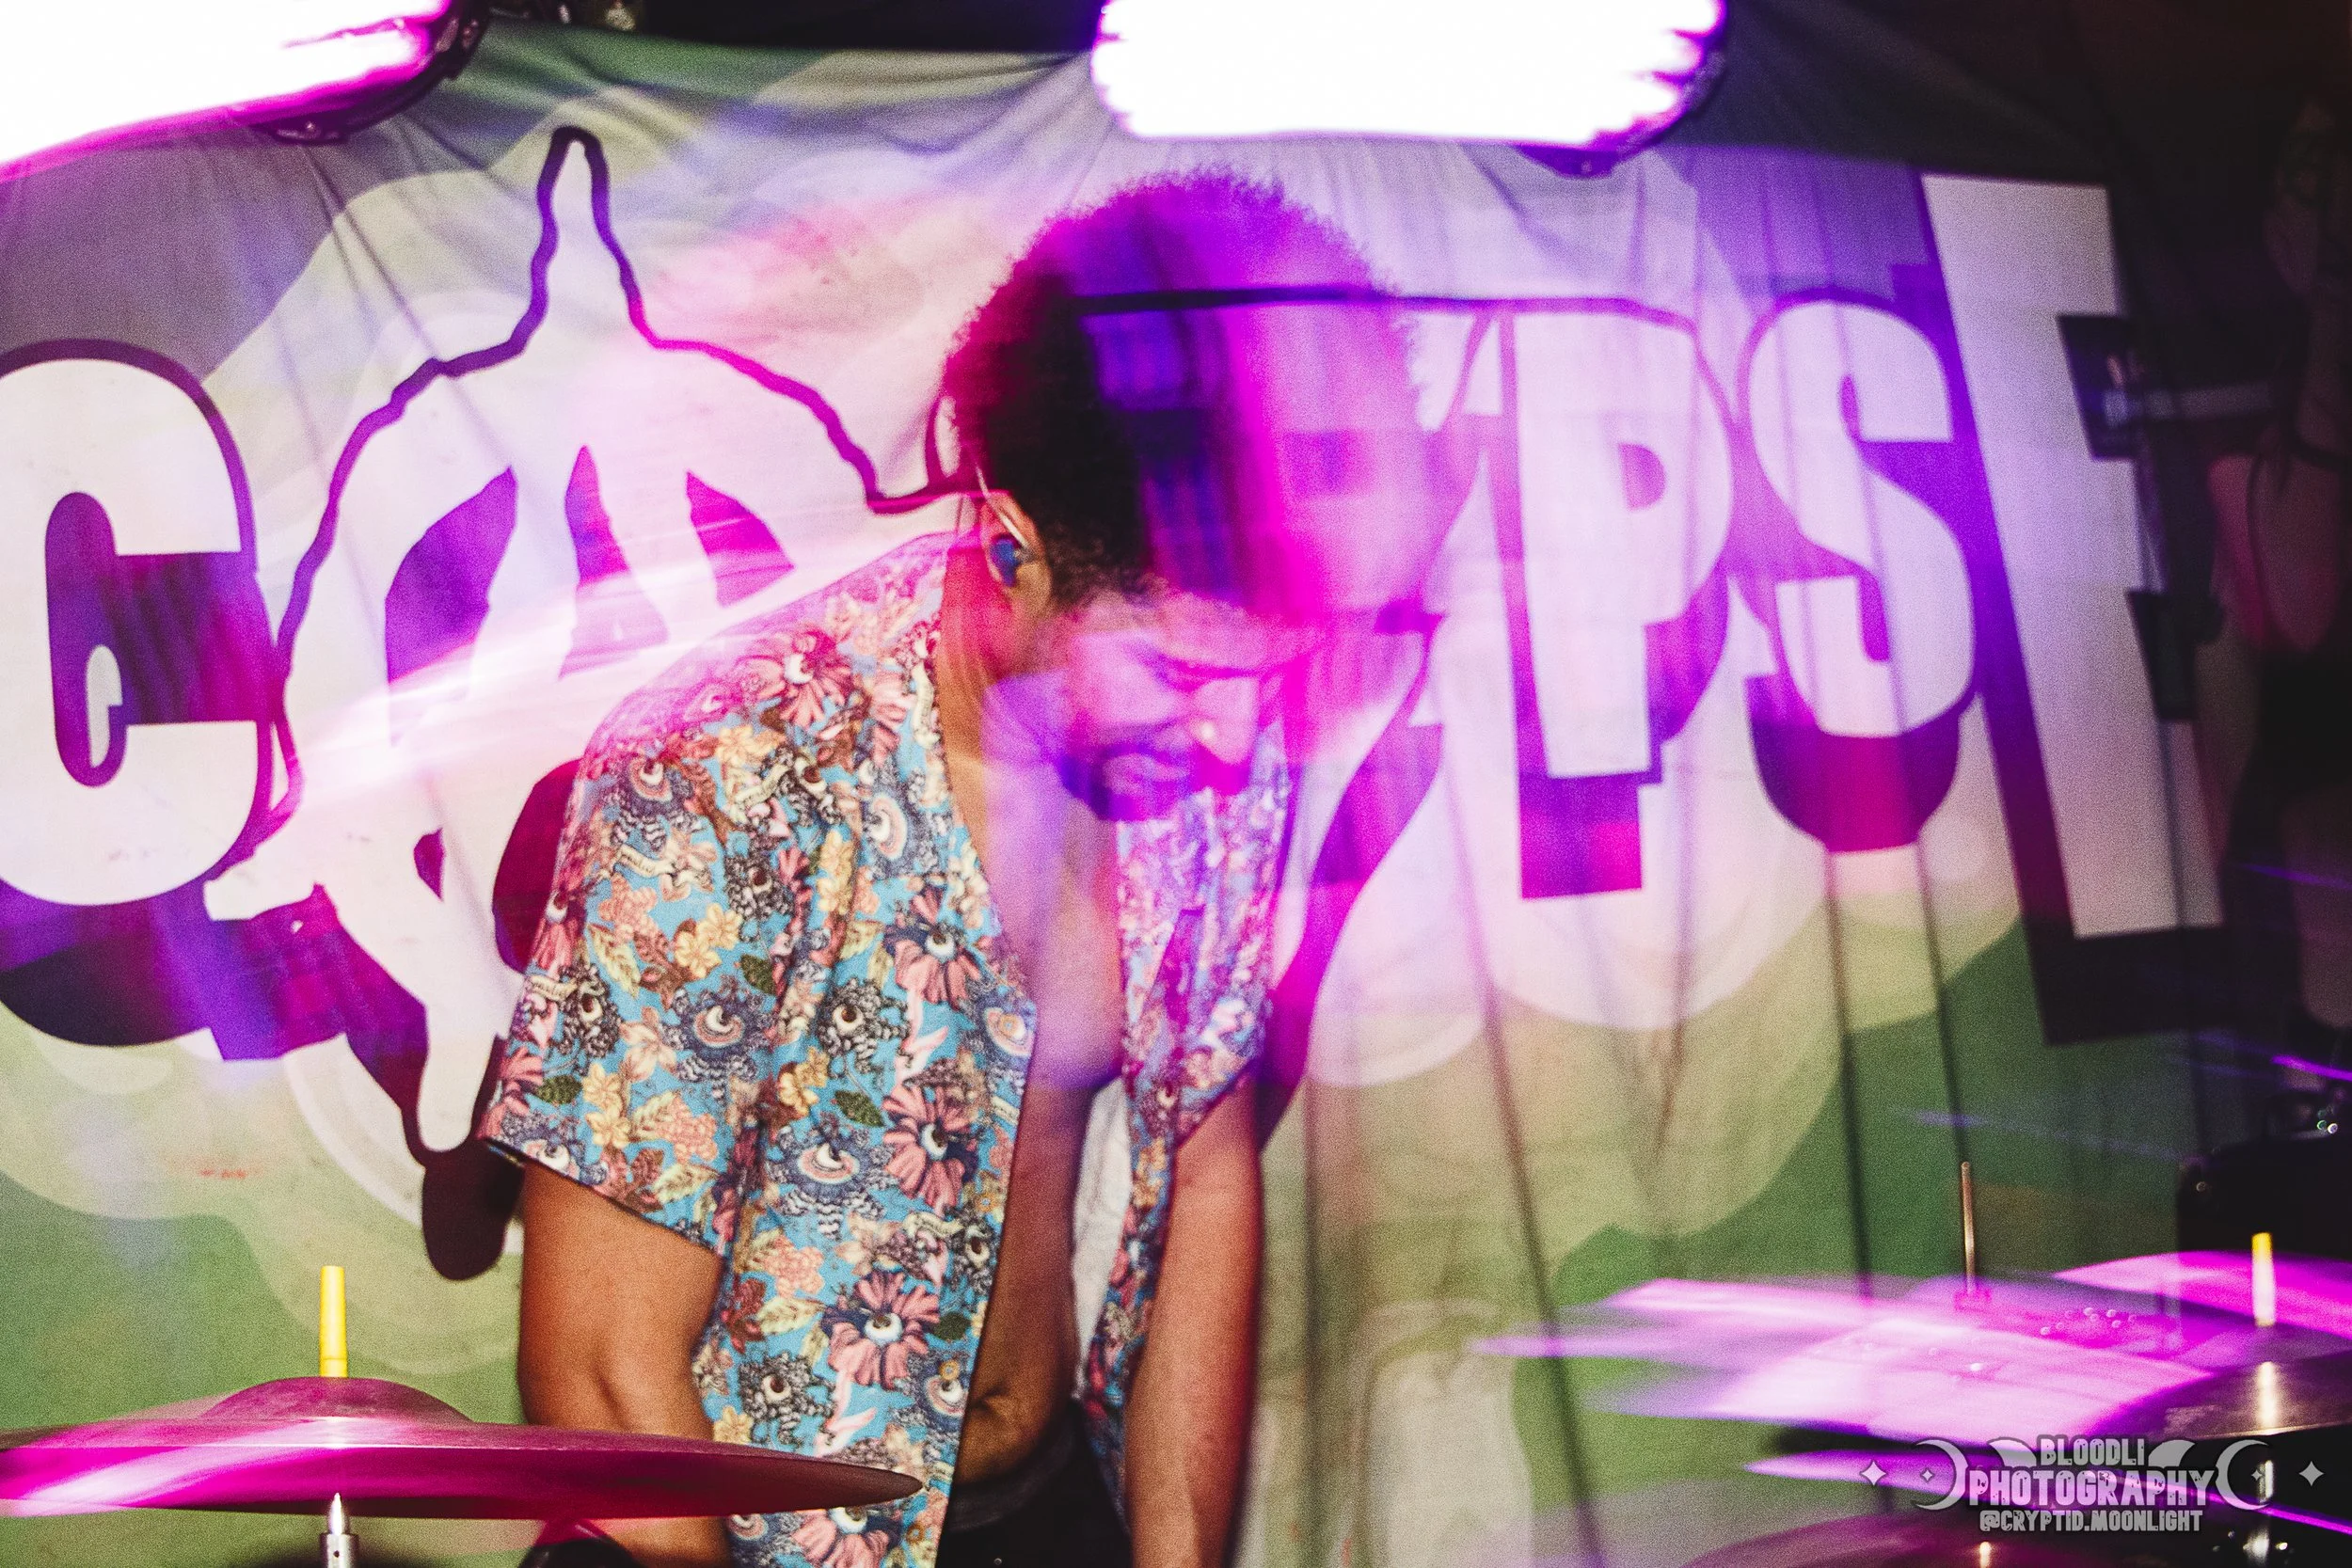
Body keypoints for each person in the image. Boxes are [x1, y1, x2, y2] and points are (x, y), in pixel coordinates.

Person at [480, 172, 1434, 1568]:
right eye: (1176, 668)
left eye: (1264, 684)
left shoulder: (1212, 747)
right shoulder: (729, 771)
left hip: (1041, 1501)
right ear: (1011, 545)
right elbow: (605, 1370)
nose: (1238, 737)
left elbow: (1204, 1164)